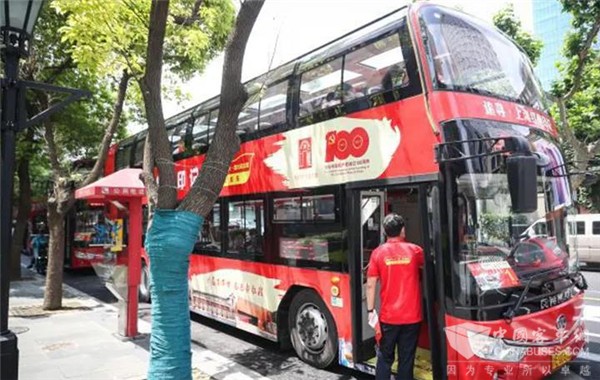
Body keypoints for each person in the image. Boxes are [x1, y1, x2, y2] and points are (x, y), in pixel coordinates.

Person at [366, 213, 424, 380]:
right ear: (403, 230)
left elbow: (370, 284)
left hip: (389, 317)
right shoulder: (416, 251)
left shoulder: (378, 253)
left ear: (385, 232)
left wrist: (370, 310)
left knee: (385, 357)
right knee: (406, 359)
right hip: (412, 316)